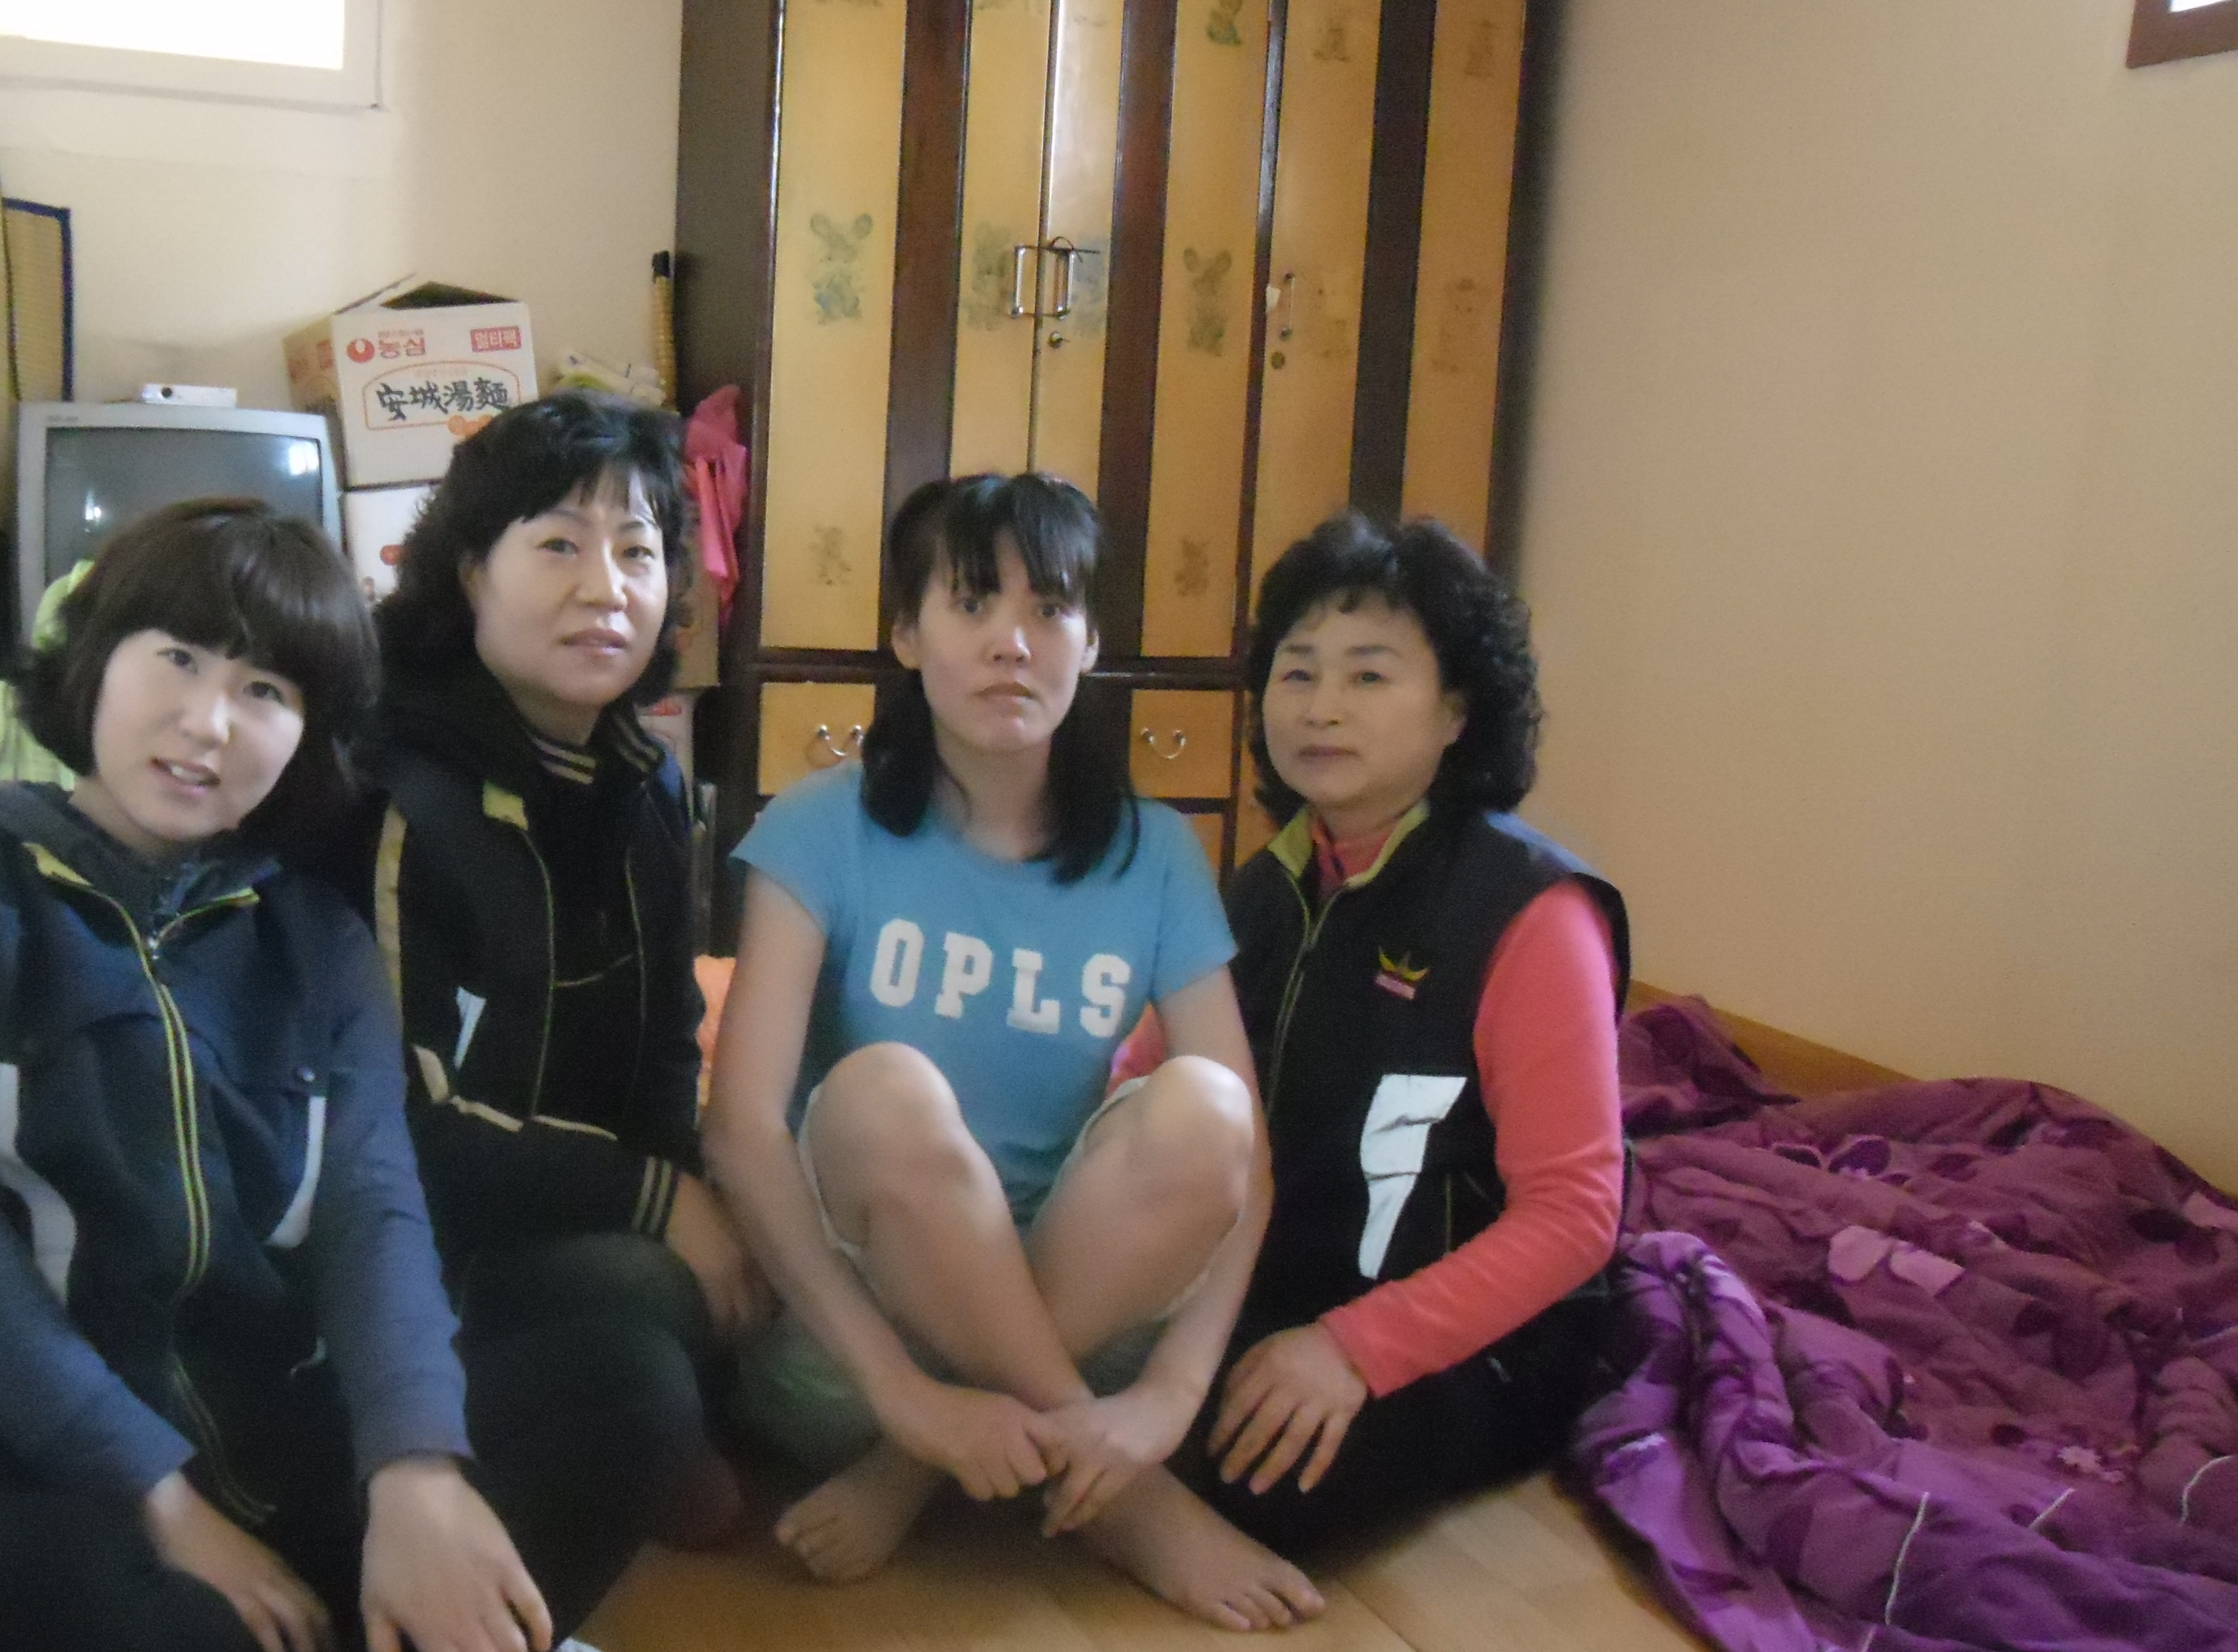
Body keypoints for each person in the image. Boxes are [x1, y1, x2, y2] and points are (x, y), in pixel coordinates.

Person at [0, 499, 572, 1652]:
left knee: (612, 1385)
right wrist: (159, 1498)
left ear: (308, 736)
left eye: (266, 690)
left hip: (243, 1450)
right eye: (179, 657)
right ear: (98, 657)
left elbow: (372, 1212)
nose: (208, 723)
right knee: (145, 1613)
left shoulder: (318, 943)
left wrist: (414, 1472)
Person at [706, 473, 1330, 1631]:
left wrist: (1175, 1389)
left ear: (1090, 643)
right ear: (907, 633)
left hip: (1093, 1320)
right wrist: (903, 1400)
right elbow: (740, 1132)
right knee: (883, 1092)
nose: (1013, 641)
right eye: (972, 602)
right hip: (852, 1347)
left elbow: (1246, 1163)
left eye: (1050, 608)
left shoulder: (1154, 854)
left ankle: (923, 1474)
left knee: (1206, 1105)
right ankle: (1122, 1503)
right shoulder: (820, 826)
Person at [355, 390, 760, 1577]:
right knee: (657, 1298)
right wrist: (659, 1202)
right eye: (559, 546)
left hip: (573, 1206)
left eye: (638, 551)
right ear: (470, 572)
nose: (607, 588)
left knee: (775, 1249)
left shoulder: (643, 778)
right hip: (429, 1249)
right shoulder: (400, 792)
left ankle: (668, 1407)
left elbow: (671, 1034)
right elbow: (400, 1126)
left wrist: (694, 1189)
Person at [1186, 511, 1629, 1552]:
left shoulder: (1530, 909)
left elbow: (1574, 1214)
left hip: (1473, 1329)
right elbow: (1151, 1080)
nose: (1322, 708)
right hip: (1277, 1283)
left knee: (1272, 1480)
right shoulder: (1264, 886)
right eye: (1298, 673)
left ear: (1457, 710)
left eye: (1370, 675)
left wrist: (1353, 1349)